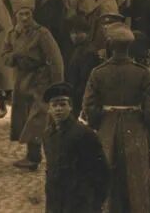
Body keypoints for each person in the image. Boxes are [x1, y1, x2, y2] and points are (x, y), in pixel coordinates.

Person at [83, 26, 150, 213]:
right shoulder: (142, 73)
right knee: (136, 175)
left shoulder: (98, 72)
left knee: (108, 173)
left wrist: (97, 123)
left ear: (110, 45)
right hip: (136, 126)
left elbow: (89, 106)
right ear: (130, 46)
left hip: (107, 127)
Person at [6, 0, 66, 171]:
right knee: (27, 120)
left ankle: (54, 158)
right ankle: (33, 157)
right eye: (21, 14)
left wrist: (57, 87)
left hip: (41, 81)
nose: (25, 18)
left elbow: (56, 60)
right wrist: (14, 56)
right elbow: (4, 55)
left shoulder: (42, 33)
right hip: (22, 81)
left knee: (40, 121)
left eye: (28, 14)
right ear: (15, 15)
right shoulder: (12, 34)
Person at [42, 82, 110, 213]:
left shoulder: (83, 133)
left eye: (63, 104)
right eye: (54, 105)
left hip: (80, 200)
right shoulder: (48, 135)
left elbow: (101, 170)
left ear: (71, 107)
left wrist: (96, 201)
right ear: (49, 108)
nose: (58, 109)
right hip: (56, 198)